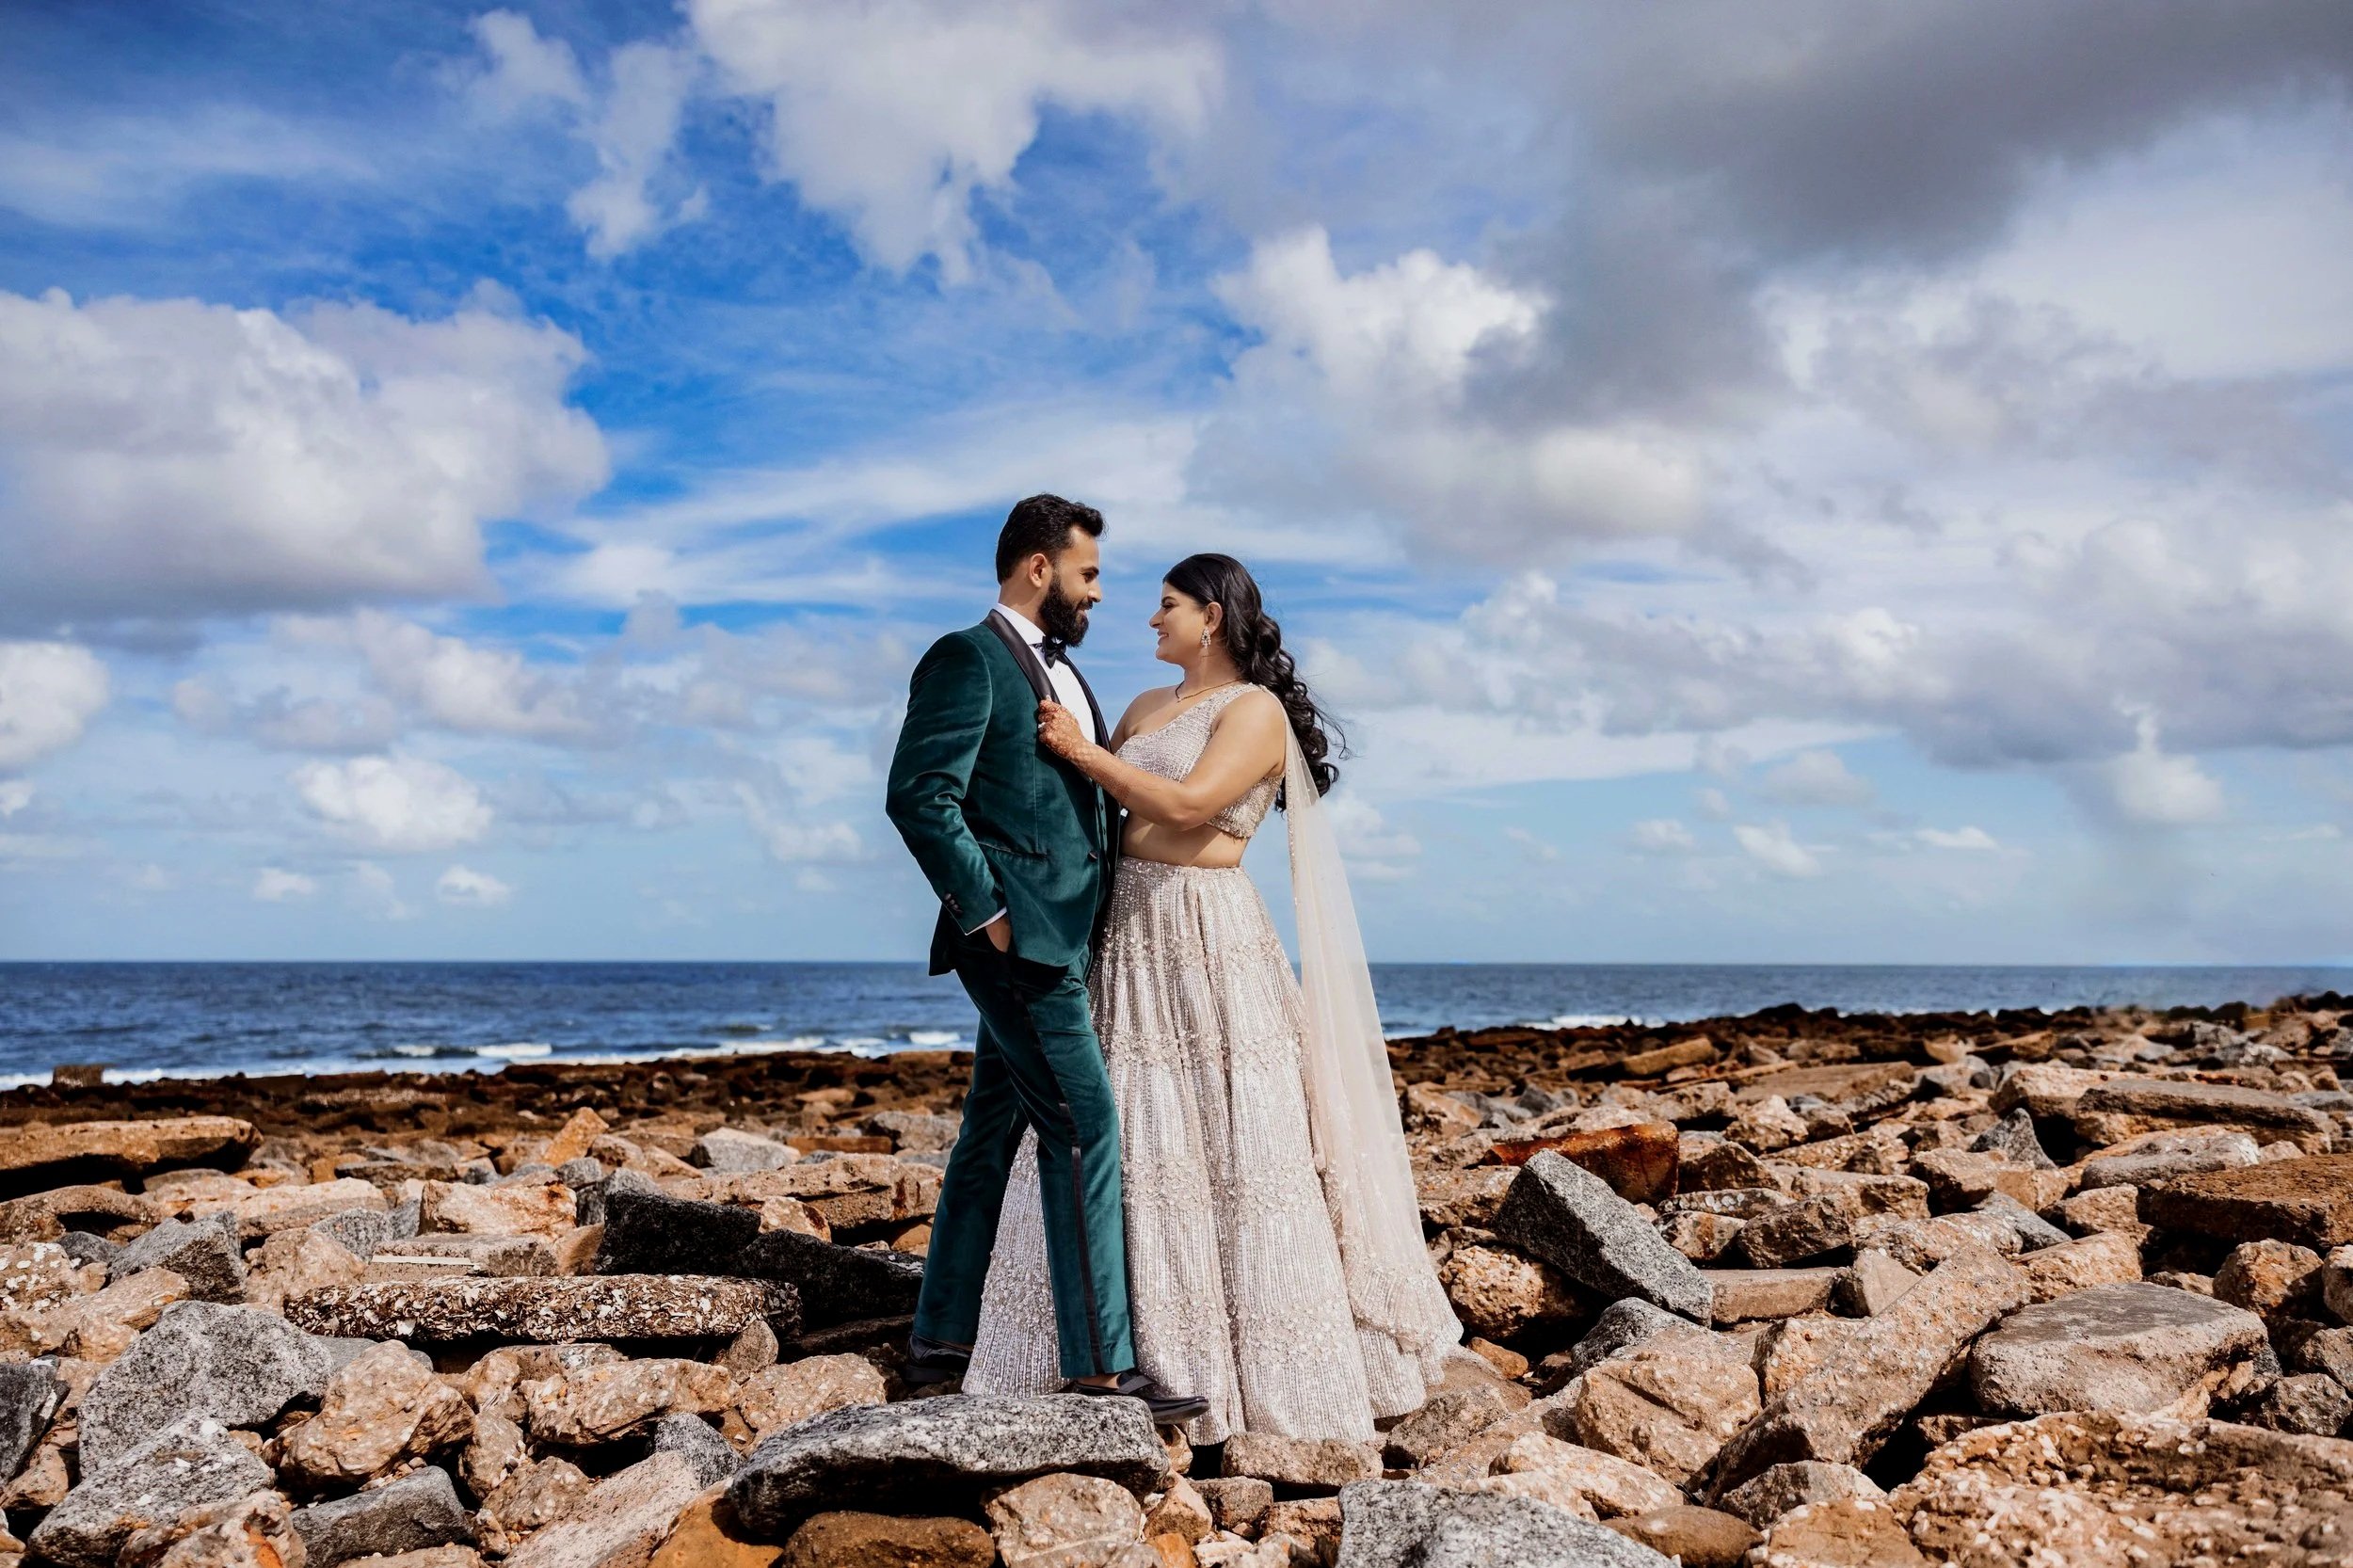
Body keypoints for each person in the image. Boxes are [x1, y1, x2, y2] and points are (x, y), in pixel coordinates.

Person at [963, 552, 1462, 1443]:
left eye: (1166, 606)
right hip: (1126, 933)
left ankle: (1252, 1375)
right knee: (1127, 1131)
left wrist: (1081, 750)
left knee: (1234, 1142)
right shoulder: (1145, 709)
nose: (1149, 621)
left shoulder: (1255, 710)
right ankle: (1115, 1345)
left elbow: (1190, 804)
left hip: (1206, 932)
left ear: (1213, 617)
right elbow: (1092, 810)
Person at [884, 494, 1209, 1424]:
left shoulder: (1065, 674)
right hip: (1020, 941)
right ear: (1038, 567)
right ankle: (1101, 1367)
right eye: (1089, 573)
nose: (1098, 593)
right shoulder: (966, 658)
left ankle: (939, 1336)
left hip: (1067, 934)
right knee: (1084, 1124)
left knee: (992, 1127)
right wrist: (988, 912)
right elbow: (919, 796)